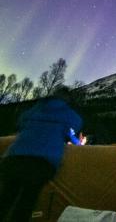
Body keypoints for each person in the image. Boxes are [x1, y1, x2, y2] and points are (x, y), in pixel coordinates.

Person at [0, 86, 82, 222]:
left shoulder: (36, 108)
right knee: (26, 203)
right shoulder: (68, 113)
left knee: (5, 199)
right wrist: (75, 141)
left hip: (15, 157)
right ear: (68, 99)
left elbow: (21, 121)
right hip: (41, 162)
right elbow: (76, 125)